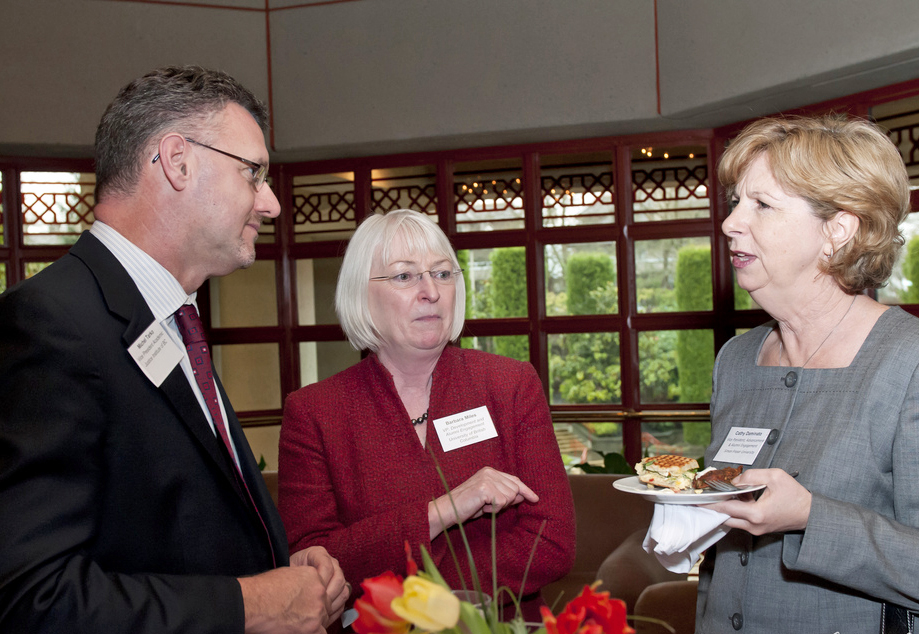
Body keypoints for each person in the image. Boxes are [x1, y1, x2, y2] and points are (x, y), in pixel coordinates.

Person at [0, 66, 349, 633]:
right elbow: (30, 599)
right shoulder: (51, 324)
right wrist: (251, 606)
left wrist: (277, 570)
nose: (272, 204)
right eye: (253, 173)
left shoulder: (170, 315)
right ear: (178, 160)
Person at [696, 115, 919, 633]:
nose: (729, 223)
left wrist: (813, 517)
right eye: (736, 202)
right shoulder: (736, 360)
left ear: (838, 230)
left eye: (762, 205)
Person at [278, 209, 575, 620]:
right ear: (360, 293)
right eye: (405, 276)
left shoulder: (510, 385)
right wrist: (441, 512)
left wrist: (410, 597)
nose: (431, 292)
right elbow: (315, 566)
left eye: (442, 274)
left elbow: (552, 542)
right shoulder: (314, 412)